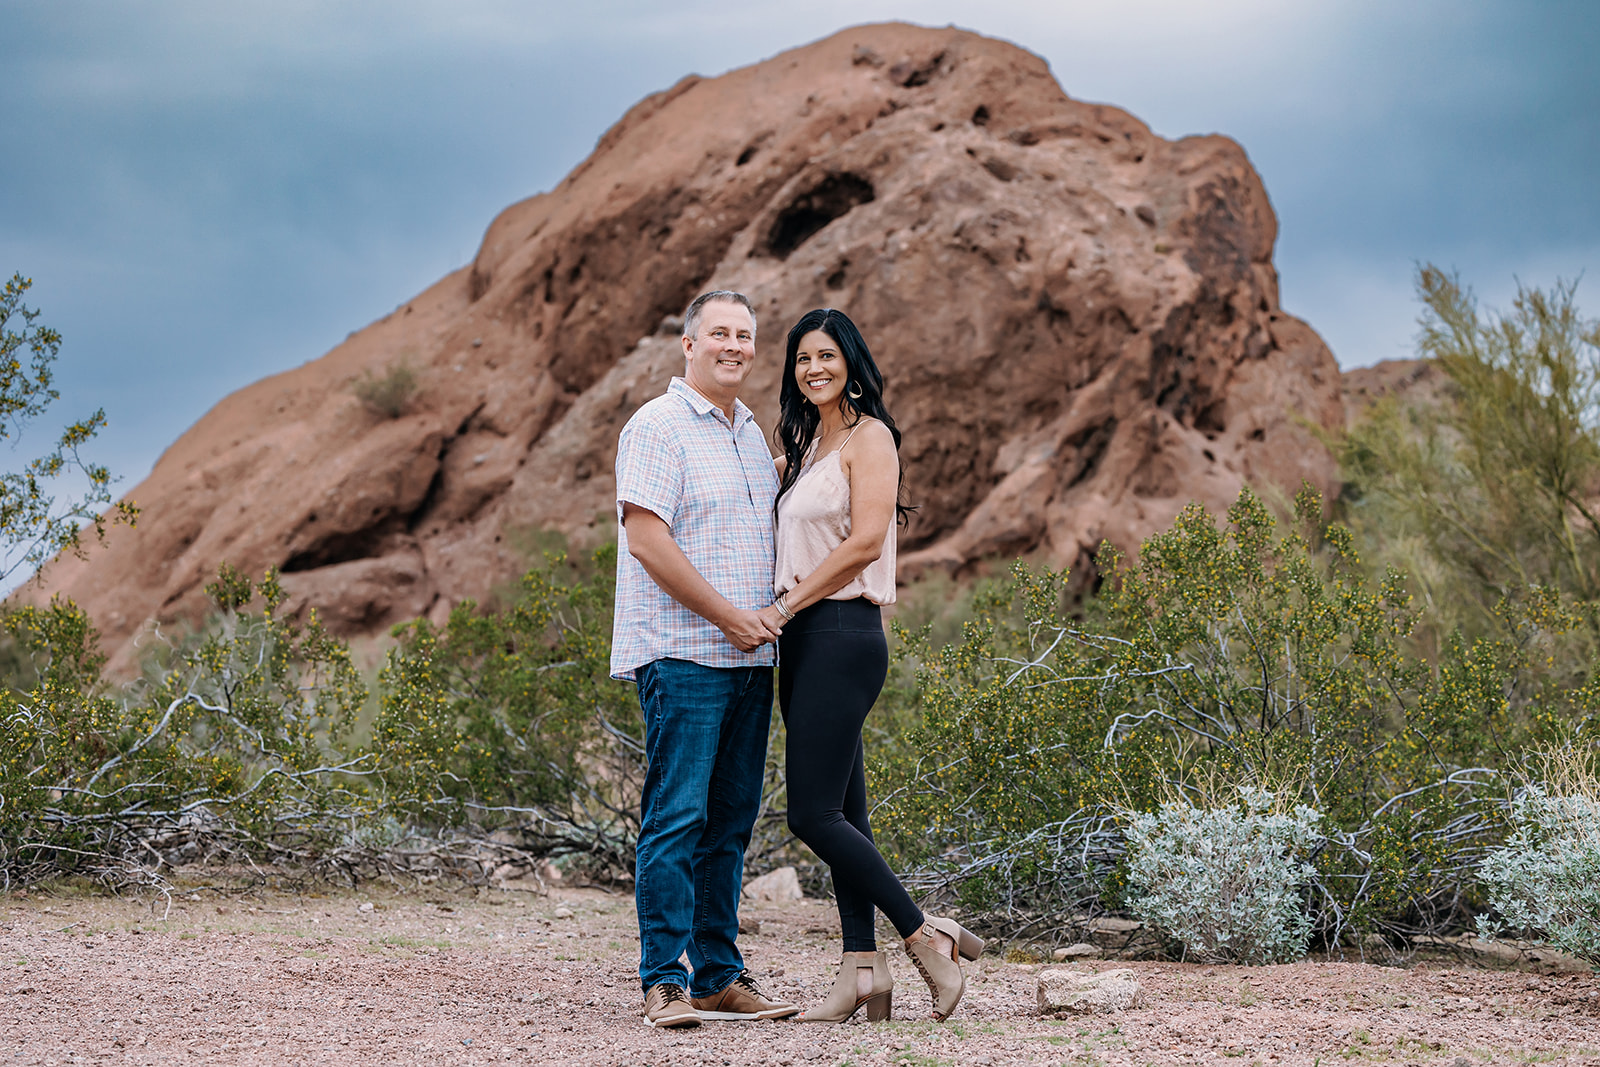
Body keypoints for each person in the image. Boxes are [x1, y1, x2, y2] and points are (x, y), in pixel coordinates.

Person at [760, 308, 984, 1024]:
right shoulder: (805, 448)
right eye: (803, 359)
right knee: (845, 813)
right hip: (802, 640)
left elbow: (863, 543)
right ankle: (862, 969)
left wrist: (785, 606)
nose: (814, 369)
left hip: (840, 631)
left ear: (851, 362)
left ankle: (925, 935)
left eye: (826, 355)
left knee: (811, 814)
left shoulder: (871, 438)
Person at [611, 290, 799, 1029]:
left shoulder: (748, 433)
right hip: (685, 654)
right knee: (677, 817)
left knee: (729, 822)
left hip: (752, 662)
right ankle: (663, 980)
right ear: (688, 344)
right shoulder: (656, 426)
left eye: (745, 335)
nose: (734, 346)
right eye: (719, 332)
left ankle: (718, 975)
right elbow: (647, 540)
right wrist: (729, 617)